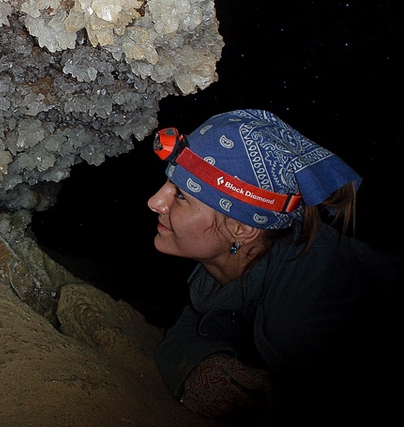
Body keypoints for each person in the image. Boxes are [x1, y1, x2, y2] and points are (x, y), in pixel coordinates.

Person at [147, 109, 400, 425]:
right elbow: (193, 326)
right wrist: (202, 363)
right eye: (168, 185)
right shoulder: (239, 268)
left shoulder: (308, 315)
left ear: (243, 228)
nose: (155, 202)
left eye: (181, 195)